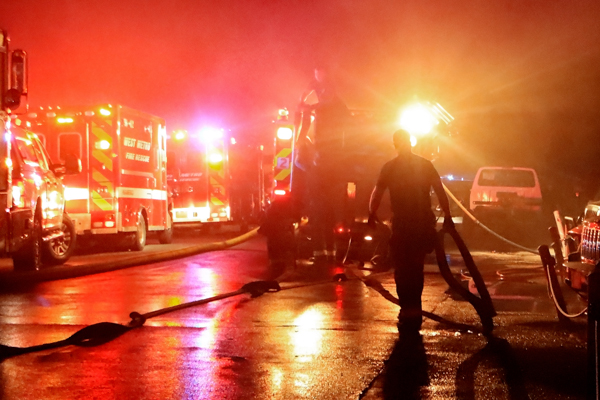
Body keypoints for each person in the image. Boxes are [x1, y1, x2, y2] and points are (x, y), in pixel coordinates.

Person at [368, 129, 454, 332]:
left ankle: (407, 309)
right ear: (410, 143)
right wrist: (447, 216)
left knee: (402, 269)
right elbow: (440, 191)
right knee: (416, 268)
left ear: (395, 145)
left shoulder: (390, 167)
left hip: (402, 225)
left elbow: (377, 193)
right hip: (422, 225)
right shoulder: (425, 165)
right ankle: (413, 308)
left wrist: (371, 213)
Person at [299, 65, 349, 265]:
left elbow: (330, 106)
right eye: (316, 72)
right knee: (324, 216)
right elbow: (304, 107)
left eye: (320, 72)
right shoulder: (313, 89)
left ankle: (325, 252)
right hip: (323, 162)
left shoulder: (331, 94)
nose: (317, 76)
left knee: (323, 216)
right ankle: (325, 252)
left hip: (326, 158)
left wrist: (311, 108)